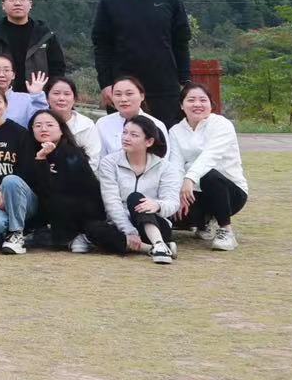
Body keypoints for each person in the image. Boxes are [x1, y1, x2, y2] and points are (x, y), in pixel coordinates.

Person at [92, 0, 192, 125]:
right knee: (125, 136)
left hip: (165, 86)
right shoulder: (110, 2)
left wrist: (185, 80)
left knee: (165, 136)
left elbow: (181, 43)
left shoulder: (170, 0)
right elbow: (102, 47)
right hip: (124, 88)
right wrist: (106, 84)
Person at [92, 115, 184, 263]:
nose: (126, 138)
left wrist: (157, 205)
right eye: (124, 132)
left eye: (134, 135)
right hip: (121, 225)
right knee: (94, 229)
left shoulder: (166, 168)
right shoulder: (109, 163)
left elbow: (172, 202)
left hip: (155, 225)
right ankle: (152, 248)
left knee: (136, 198)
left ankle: (158, 243)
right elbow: (111, 201)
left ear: (149, 141)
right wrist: (129, 230)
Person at [168, 83, 248, 251]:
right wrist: (174, 193)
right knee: (174, 216)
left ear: (211, 104)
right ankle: (203, 223)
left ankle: (226, 231)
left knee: (209, 176)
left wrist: (189, 178)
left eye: (203, 100)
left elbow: (210, 156)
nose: (197, 104)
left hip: (229, 193)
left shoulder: (222, 124)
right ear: (182, 105)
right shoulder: (175, 131)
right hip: (192, 192)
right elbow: (175, 165)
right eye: (191, 100)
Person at [26, 109, 104, 254]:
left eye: (49, 125)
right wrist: (40, 158)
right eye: (38, 125)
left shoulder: (73, 155)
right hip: (45, 211)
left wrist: (42, 160)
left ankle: (76, 236)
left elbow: (50, 189)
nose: (43, 129)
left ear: (61, 129)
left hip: (79, 213)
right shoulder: (28, 153)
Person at [0, 0, 67, 92]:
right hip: (1, 96)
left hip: (37, 96)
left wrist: (49, 93)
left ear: (30, 4)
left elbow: (57, 68)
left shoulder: (44, 35)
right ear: (3, 5)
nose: (17, 3)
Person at [96, 77, 168, 160]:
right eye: (118, 94)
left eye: (129, 94)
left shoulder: (156, 125)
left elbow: (163, 159)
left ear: (142, 96)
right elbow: (100, 158)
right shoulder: (102, 123)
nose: (123, 99)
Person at [0, 53, 48, 126]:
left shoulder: (27, 99)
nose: (1, 75)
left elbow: (42, 122)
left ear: (13, 75)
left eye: (6, 70)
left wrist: (37, 95)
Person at [43, 76, 102, 163]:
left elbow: (93, 159)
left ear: (74, 99)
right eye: (56, 93)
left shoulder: (86, 125)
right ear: (47, 98)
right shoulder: (39, 122)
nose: (61, 98)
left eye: (67, 94)